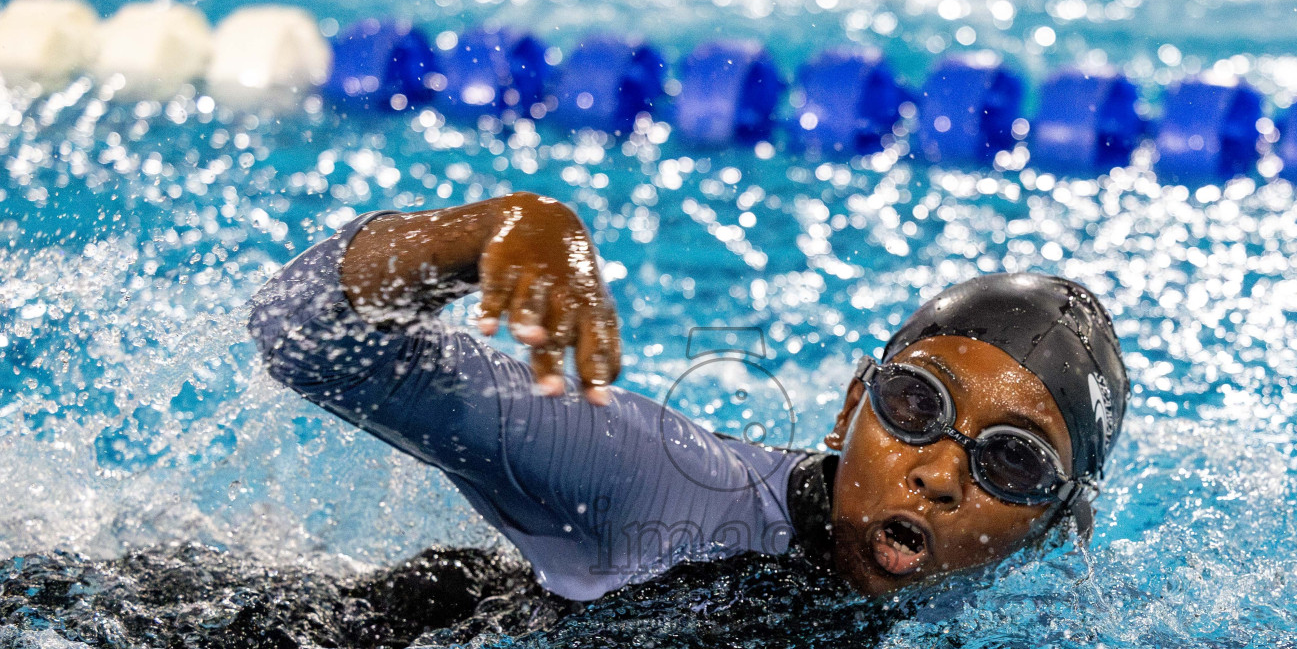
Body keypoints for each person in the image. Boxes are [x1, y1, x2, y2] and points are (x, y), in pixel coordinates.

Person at [247, 192, 1129, 603]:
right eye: (915, 406)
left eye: (1013, 461)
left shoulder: (1007, 631)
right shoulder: (663, 483)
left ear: (1059, 528)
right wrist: (479, 235)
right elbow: (301, 334)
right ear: (851, 404)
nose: (939, 473)